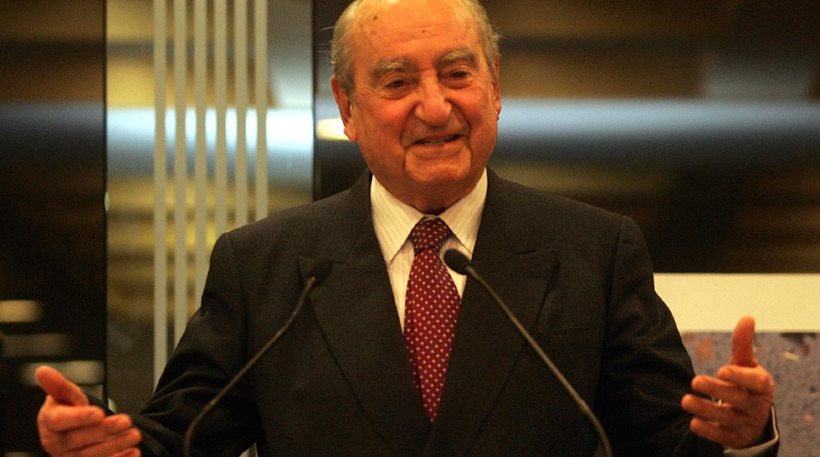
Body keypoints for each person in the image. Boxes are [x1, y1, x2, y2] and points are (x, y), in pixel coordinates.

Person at [36, 0, 778, 456]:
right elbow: (183, 436)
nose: (434, 106)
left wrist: (742, 435)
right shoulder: (265, 264)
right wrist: (106, 448)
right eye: (397, 82)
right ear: (347, 107)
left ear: (495, 86)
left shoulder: (595, 252)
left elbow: (666, 442)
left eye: (457, 73)